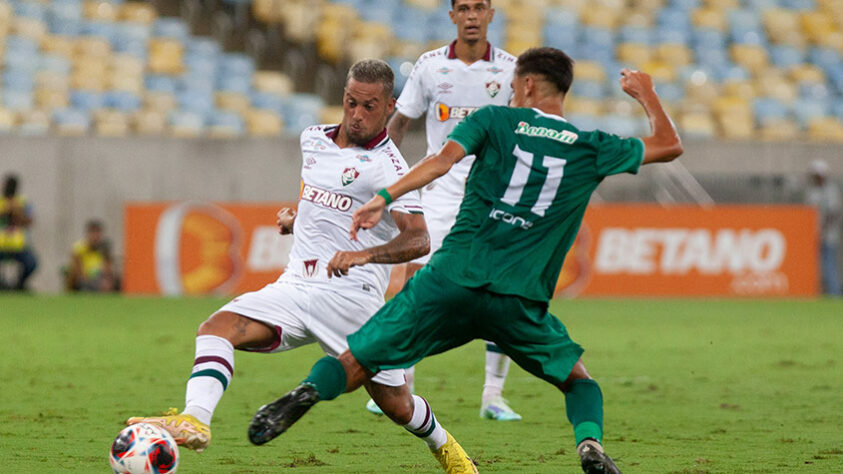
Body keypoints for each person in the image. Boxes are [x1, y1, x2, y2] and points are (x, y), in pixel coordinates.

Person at [248, 47, 683, 473]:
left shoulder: (493, 119)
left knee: (359, 357)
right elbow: (668, 145)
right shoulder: (591, 147)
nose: (511, 95)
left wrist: (384, 197)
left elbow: (440, 162)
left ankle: (306, 392)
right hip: (519, 299)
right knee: (579, 382)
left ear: (528, 85)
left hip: (450, 281)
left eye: (513, 88)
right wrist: (645, 92)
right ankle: (589, 443)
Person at [127, 59, 478, 473]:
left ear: (390, 107)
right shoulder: (313, 139)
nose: (358, 115)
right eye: (351, 103)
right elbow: (326, 202)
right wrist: (298, 220)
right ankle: (195, 420)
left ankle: (446, 448)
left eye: (369, 106)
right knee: (215, 329)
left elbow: (418, 239)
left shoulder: (392, 168)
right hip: (295, 286)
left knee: (397, 406)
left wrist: (363, 255)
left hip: (352, 301)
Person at [367, 0, 522, 422]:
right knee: (413, 284)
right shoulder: (431, 66)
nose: (472, 16)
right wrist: (377, 172)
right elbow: (400, 124)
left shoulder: (511, 70)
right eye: (464, 8)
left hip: (491, 194)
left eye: (480, 8)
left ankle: (493, 396)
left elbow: (523, 133)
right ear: (452, 16)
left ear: (492, 14)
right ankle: (398, 381)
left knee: (505, 291)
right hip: (437, 191)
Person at [805, 160, 841, 296]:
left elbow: (833, 212)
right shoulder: (812, 191)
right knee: (817, 265)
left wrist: (823, 229)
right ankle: (819, 291)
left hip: (829, 235)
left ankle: (834, 292)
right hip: (814, 234)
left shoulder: (830, 190)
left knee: (829, 263)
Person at [0, 174, 38, 291]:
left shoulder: (22, 202)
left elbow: (30, 221)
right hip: (1, 244)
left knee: (31, 263)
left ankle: (20, 284)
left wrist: (17, 212)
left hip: (19, 245)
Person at [66, 219, 119, 292]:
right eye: (93, 233)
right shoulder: (79, 248)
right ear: (88, 234)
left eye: (98, 233)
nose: (95, 237)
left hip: (99, 278)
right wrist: (87, 279)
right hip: (84, 279)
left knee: (110, 280)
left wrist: (106, 278)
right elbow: (77, 269)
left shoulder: (104, 248)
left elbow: (108, 268)